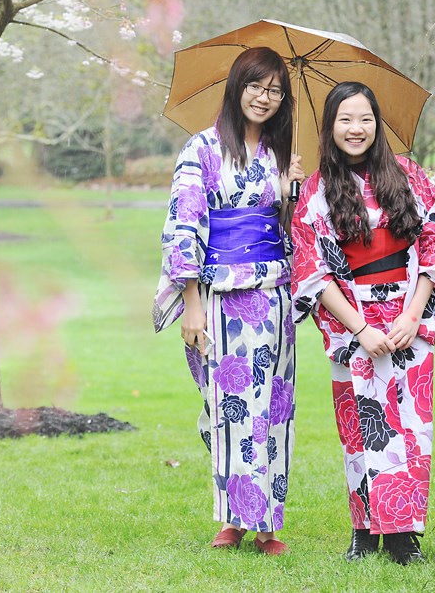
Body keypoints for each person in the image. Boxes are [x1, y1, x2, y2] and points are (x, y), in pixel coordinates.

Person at [290, 81, 435, 565]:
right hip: (352, 320)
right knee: (359, 427)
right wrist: (359, 329)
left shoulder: (408, 175)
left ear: (377, 123)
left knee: (411, 427)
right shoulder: (316, 190)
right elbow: (313, 271)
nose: (356, 128)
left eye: (365, 118)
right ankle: (364, 530)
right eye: (345, 119)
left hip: (407, 315)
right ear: (330, 127)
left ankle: (403, 535)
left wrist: (413, 314)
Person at [153, 47, 305, 556]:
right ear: (237, 87)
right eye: (256, 86)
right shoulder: (200, 149)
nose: (264, 98)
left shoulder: (282, 155)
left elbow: (291, 234)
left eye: (275, 90)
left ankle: (267, 525)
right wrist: (191, 303)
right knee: (228, 406)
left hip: (273, 297)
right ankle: (232, 518)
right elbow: (186, 222)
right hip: (220, 296)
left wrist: (289, 195)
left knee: (274, 408)